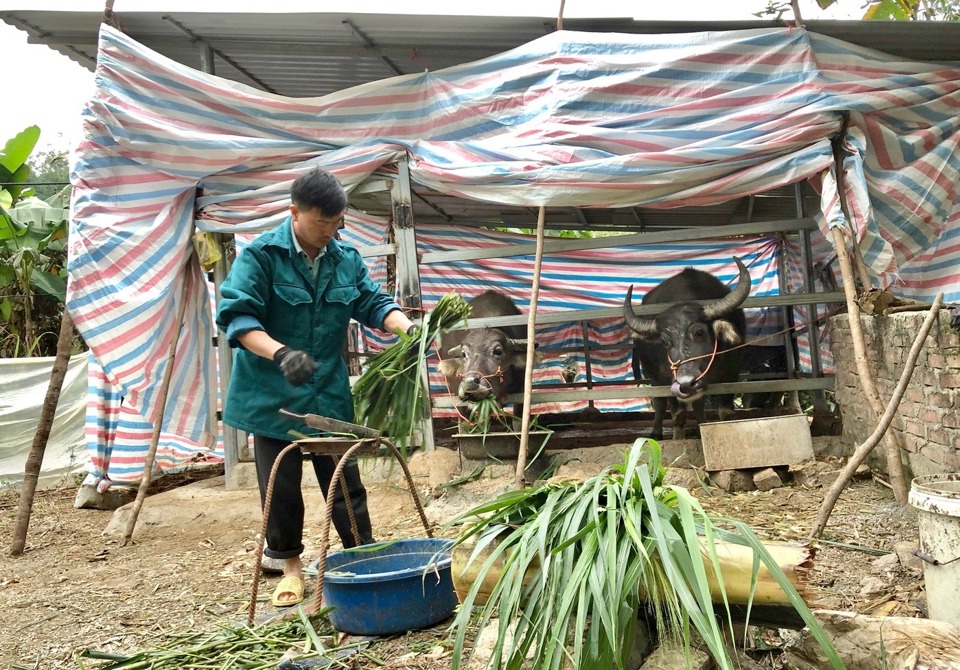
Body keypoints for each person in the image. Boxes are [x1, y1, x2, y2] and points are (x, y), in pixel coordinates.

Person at [216, 167, 415, 607]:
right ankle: (290, 568)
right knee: (280, 485)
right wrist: (281, 353)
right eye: (321, 222)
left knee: (344, 478)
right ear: (295, 212)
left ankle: (362, 555)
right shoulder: (262, 255)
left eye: (335, 222)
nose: (329, 231)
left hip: (327, 388)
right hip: (272, 394)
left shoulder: (345, 257)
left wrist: (408, 329)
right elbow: (238, 318)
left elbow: (371, 302)